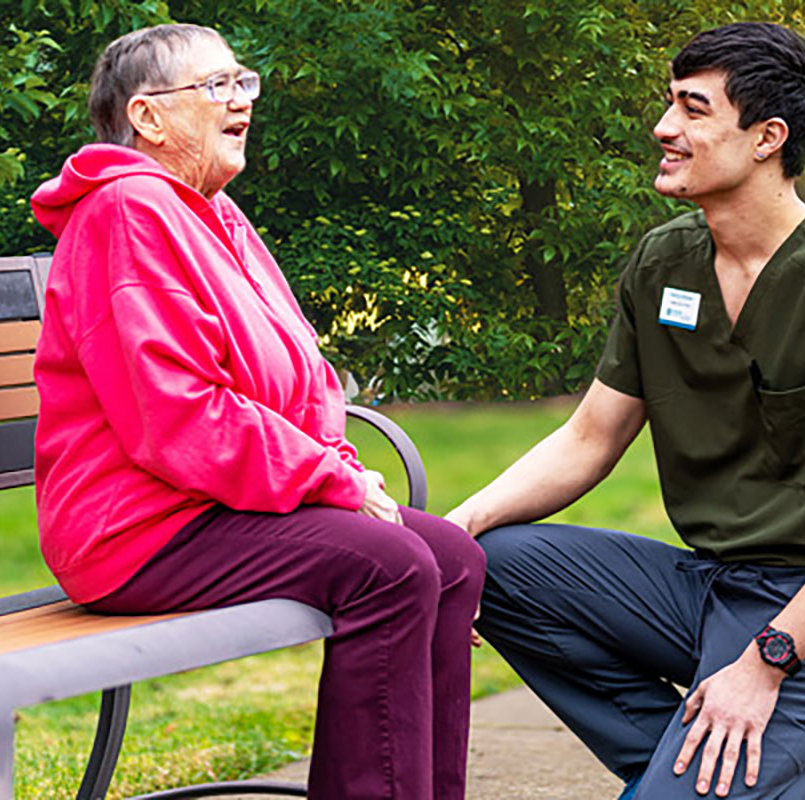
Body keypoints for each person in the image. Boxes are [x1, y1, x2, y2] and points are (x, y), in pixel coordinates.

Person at [447, 22, 805, 800]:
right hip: (703, 587)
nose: (664, 128)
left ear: (766, 138)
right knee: (495, 565)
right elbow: (591, 437)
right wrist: (458, 531)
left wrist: (762, 666)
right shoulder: (663, 263)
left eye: (693, 109)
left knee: (695, 778)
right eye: (670, 105)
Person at [31, 24, 484, 800]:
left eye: (244, 84)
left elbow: (300, 378)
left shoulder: (217, 217)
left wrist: (337, 467)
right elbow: (175, 414)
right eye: (216, 87)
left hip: (211, 504)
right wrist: (329, 483)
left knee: (452, 559)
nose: (241, 101)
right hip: (137, 527)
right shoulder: (129, 214)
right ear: (148, 118)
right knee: (393, 566)